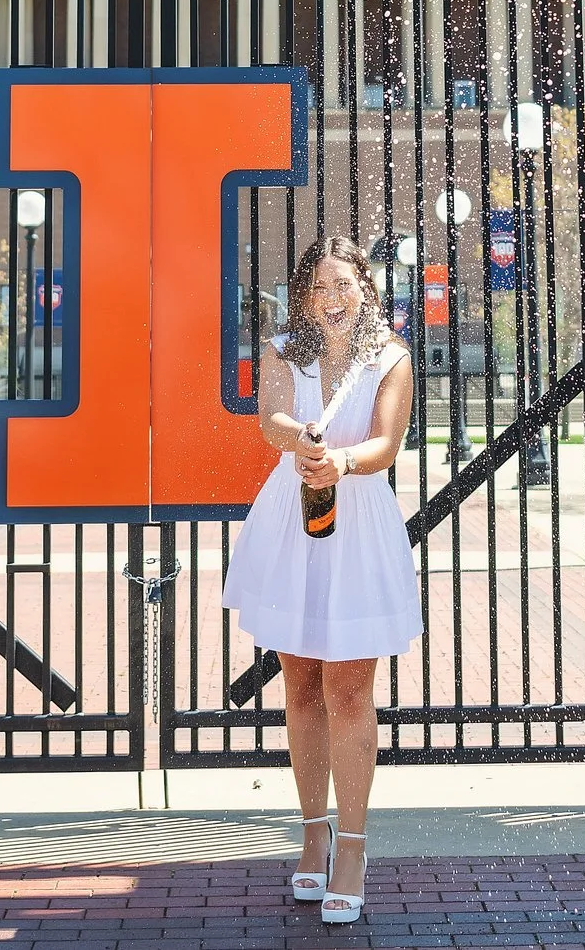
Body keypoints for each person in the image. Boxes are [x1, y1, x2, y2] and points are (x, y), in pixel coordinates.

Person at [219, 235, 419, 926]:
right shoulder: (283, 350)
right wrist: (300, 442)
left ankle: (353, 849)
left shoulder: (390, 357)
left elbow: (387, 442)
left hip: (356, 519)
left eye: (344, 285)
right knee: (300, 682)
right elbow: (269, 418)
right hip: (292, 519)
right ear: (303, 297)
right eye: (319, 288)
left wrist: (341, 460)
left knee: (350, 685)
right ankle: (312, 833)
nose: (332, 299)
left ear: (364, 287)